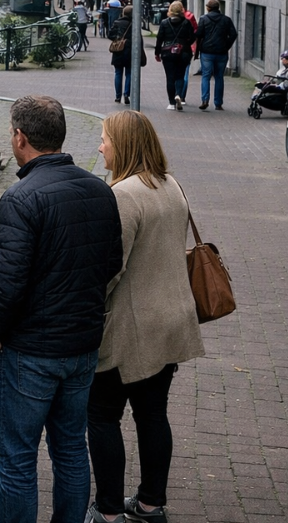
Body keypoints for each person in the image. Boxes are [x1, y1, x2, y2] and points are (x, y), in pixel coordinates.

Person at [0, 95, 123, 523]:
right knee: (71, 448)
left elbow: (4, 286)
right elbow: (111, 264)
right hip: (82, 348)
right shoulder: (99, 189)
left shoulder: (20, 199)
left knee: (17, 458)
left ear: (20, 137)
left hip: (30, 353)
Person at [86, 110, 205, 523]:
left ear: (123, 145)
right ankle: (151, 505)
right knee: (152, 414)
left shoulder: (123, 195)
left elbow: (110, 267)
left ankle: (108, 512)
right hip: (171, 319)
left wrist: (83, 304)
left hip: (130, 328)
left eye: (105, 139)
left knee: (102, 416)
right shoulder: (171, 184)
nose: (100, 146)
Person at [194, 0, 238, 110]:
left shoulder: (203, 19)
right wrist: (226, 45)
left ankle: (205, 100)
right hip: (221, 52)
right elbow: (233, 34)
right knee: (219, 77)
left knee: (206, 76)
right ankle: (218, 103)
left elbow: (198, 34)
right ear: (218, 8)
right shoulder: (226, 20)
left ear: (208, 8)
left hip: (207, 52)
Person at [154, 1, 195, 110]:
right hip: (184, 52)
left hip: (168, 53)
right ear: (182, 10)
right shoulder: (186, 23)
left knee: (170, 77)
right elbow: (192, 37)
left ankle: (171, 103)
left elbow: (159, 39)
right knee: (180, 76)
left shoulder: (164, 23)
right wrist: (185, 44)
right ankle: (178, 94)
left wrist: (157, 53)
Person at [108, 6, 145, 104]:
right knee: (129, 73)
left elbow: (110, 35)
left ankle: (117, 96)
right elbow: (139, 39)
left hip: (118, 50)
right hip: (130, 51)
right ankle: (126, 94)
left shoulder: (117, 22)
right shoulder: (134, 24)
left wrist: (118, 39)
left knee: (118, 73)